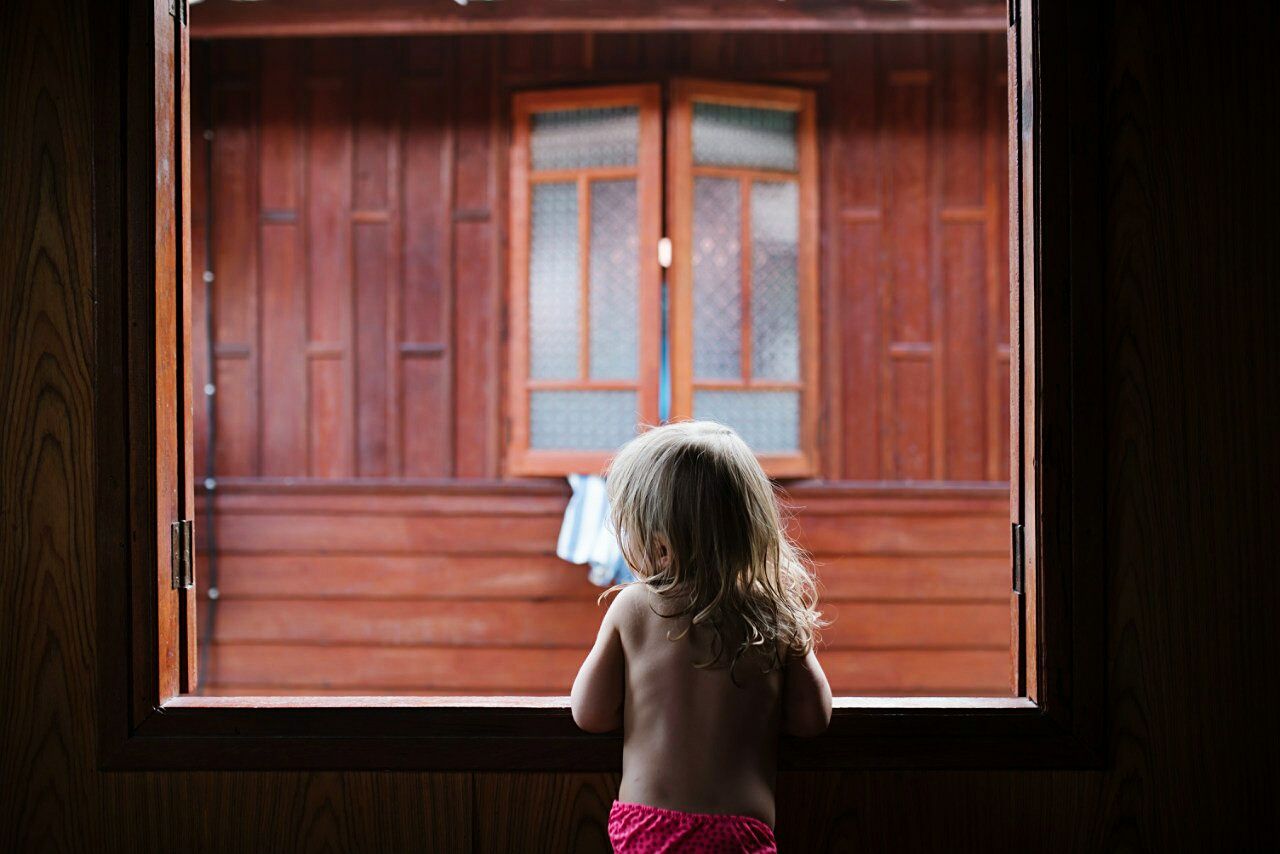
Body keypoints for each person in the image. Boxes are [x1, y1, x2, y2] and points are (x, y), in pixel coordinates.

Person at [571, 421, 832, 853]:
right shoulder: (771, 611)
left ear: (659, 545)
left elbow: (590, 714)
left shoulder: (635, 607)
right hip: (740, 833)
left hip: (650, 831)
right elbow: (811, 720)